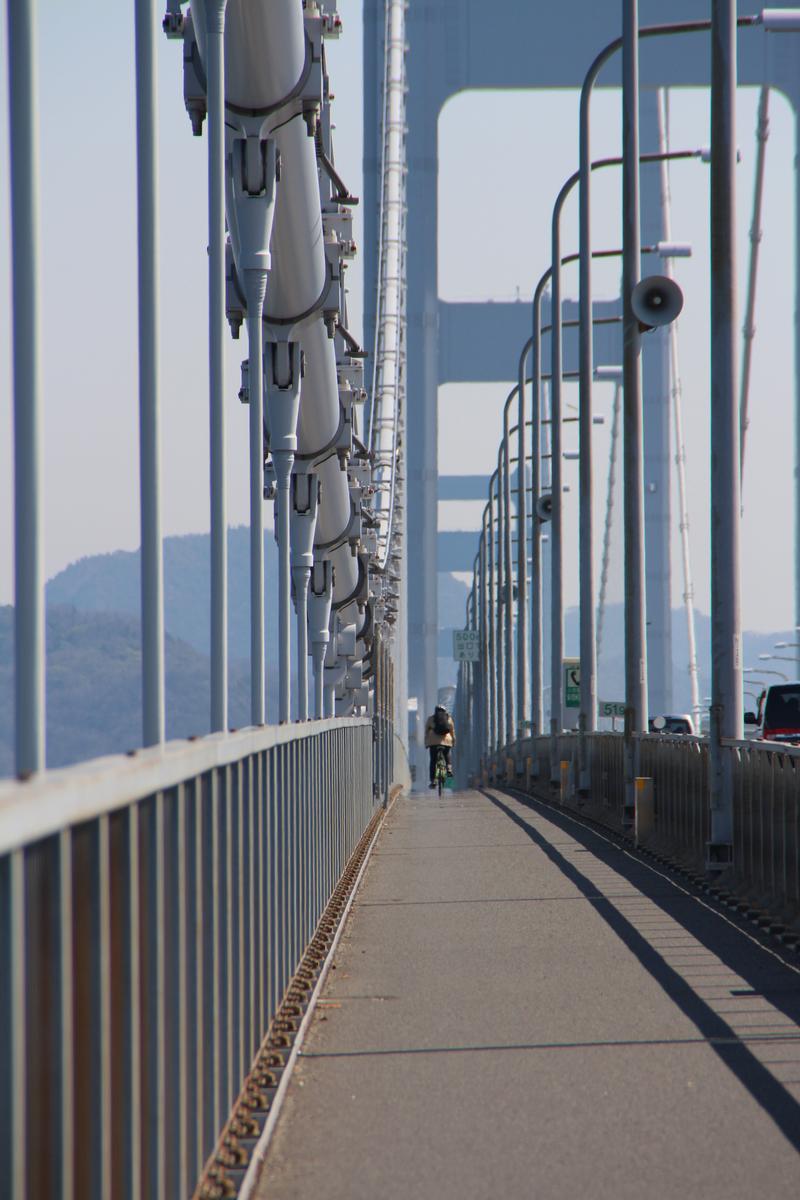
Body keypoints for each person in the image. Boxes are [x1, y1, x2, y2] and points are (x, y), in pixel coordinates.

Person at [424, 704, 456, 787]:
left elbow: (426, 731)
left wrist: (426, 743)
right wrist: (453, 741)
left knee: (433, 761)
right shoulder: (449, 718)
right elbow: (452, 731)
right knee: (447, 754)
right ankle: (449, 768)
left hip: (433, 742)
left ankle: (433, 780)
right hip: (446, 741)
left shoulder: (431, 719)